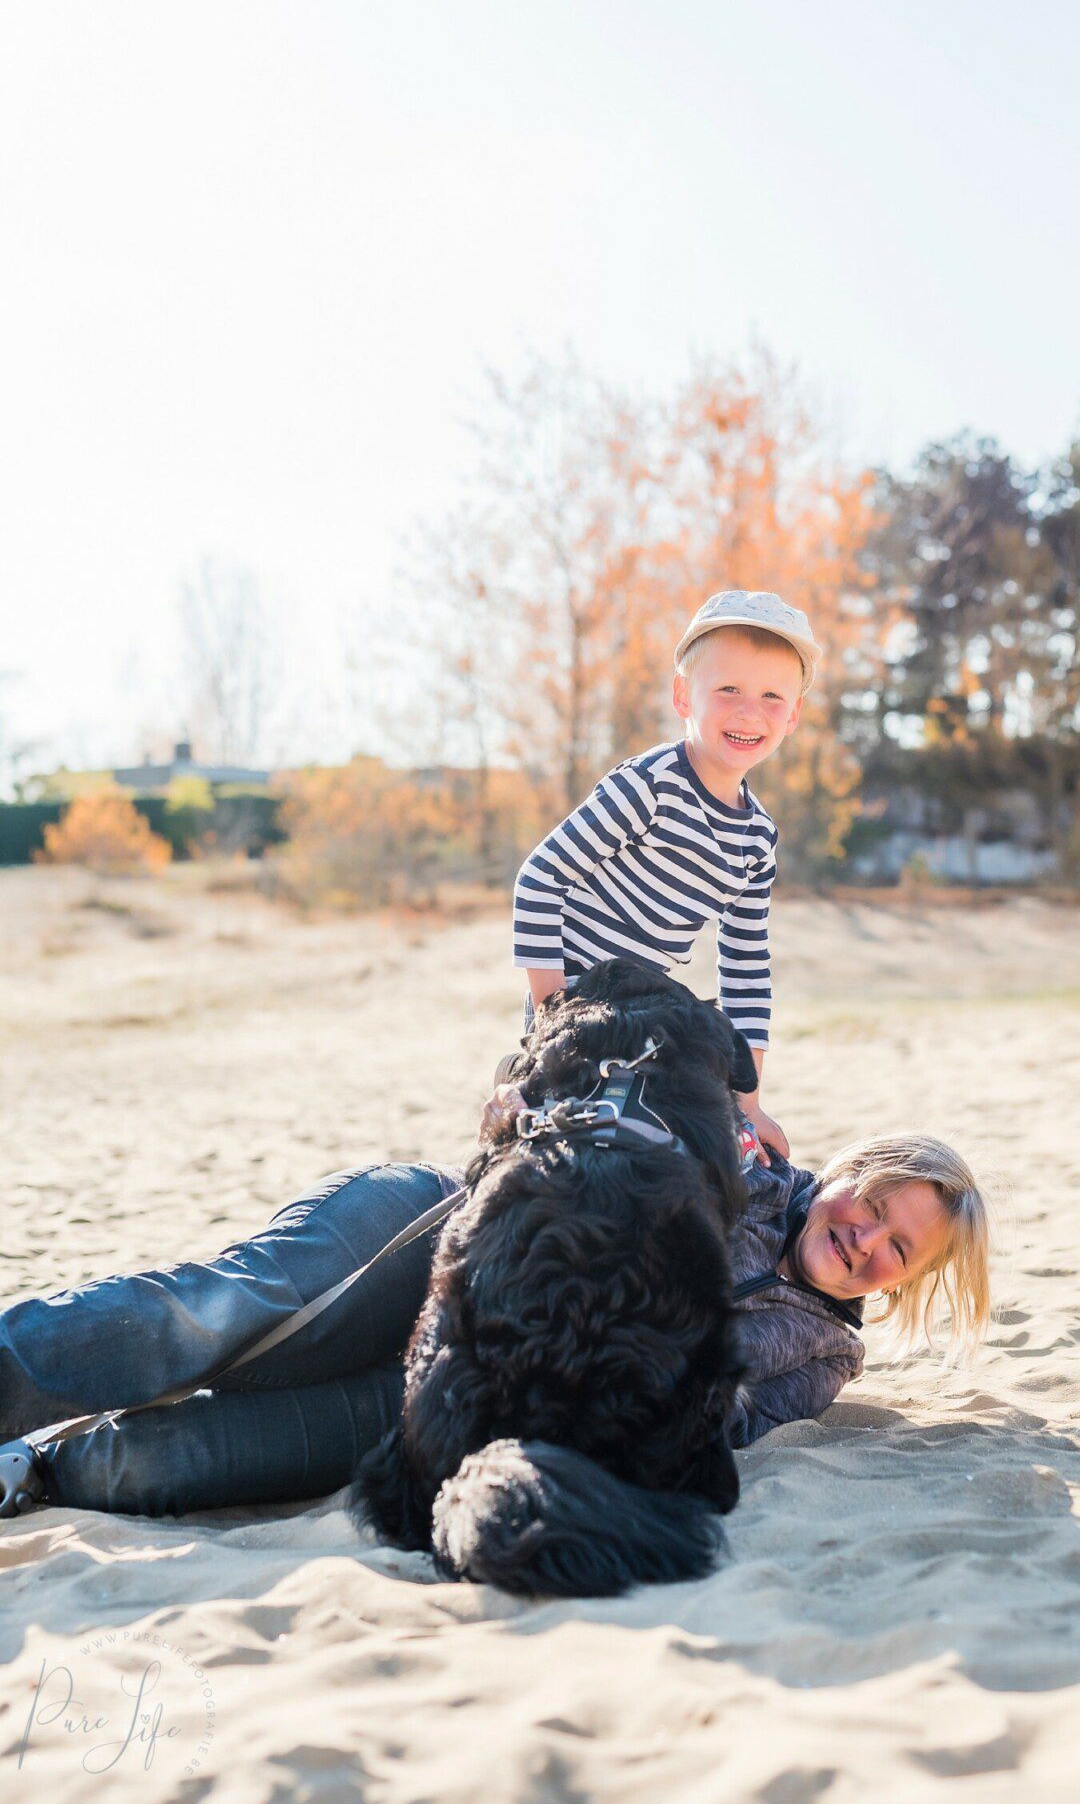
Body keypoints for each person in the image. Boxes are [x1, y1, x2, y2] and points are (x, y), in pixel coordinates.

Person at [0, 1130, 989, 1519]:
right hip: (434, 1237)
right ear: (851, 1171)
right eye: (875, 1203)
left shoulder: (820, 1356)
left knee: (165, 1467)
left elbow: (714, 1428)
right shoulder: (748, 1164)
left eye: (898, 1249)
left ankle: (37, 1467)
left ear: (902, 1283)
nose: (866, 1238)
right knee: (223, 1321)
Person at [512, 589, 822, 1164]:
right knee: (571, 1150)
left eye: (772, 696)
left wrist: (749, 1102)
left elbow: (747, 968)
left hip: (645, 1007)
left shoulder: (757, 837)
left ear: (793, 716)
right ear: (684, 695)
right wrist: (553, 1013)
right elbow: (539, 877)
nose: (749, 711)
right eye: (727, 689)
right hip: (575, 997)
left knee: (689, 1129)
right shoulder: (650, 787)